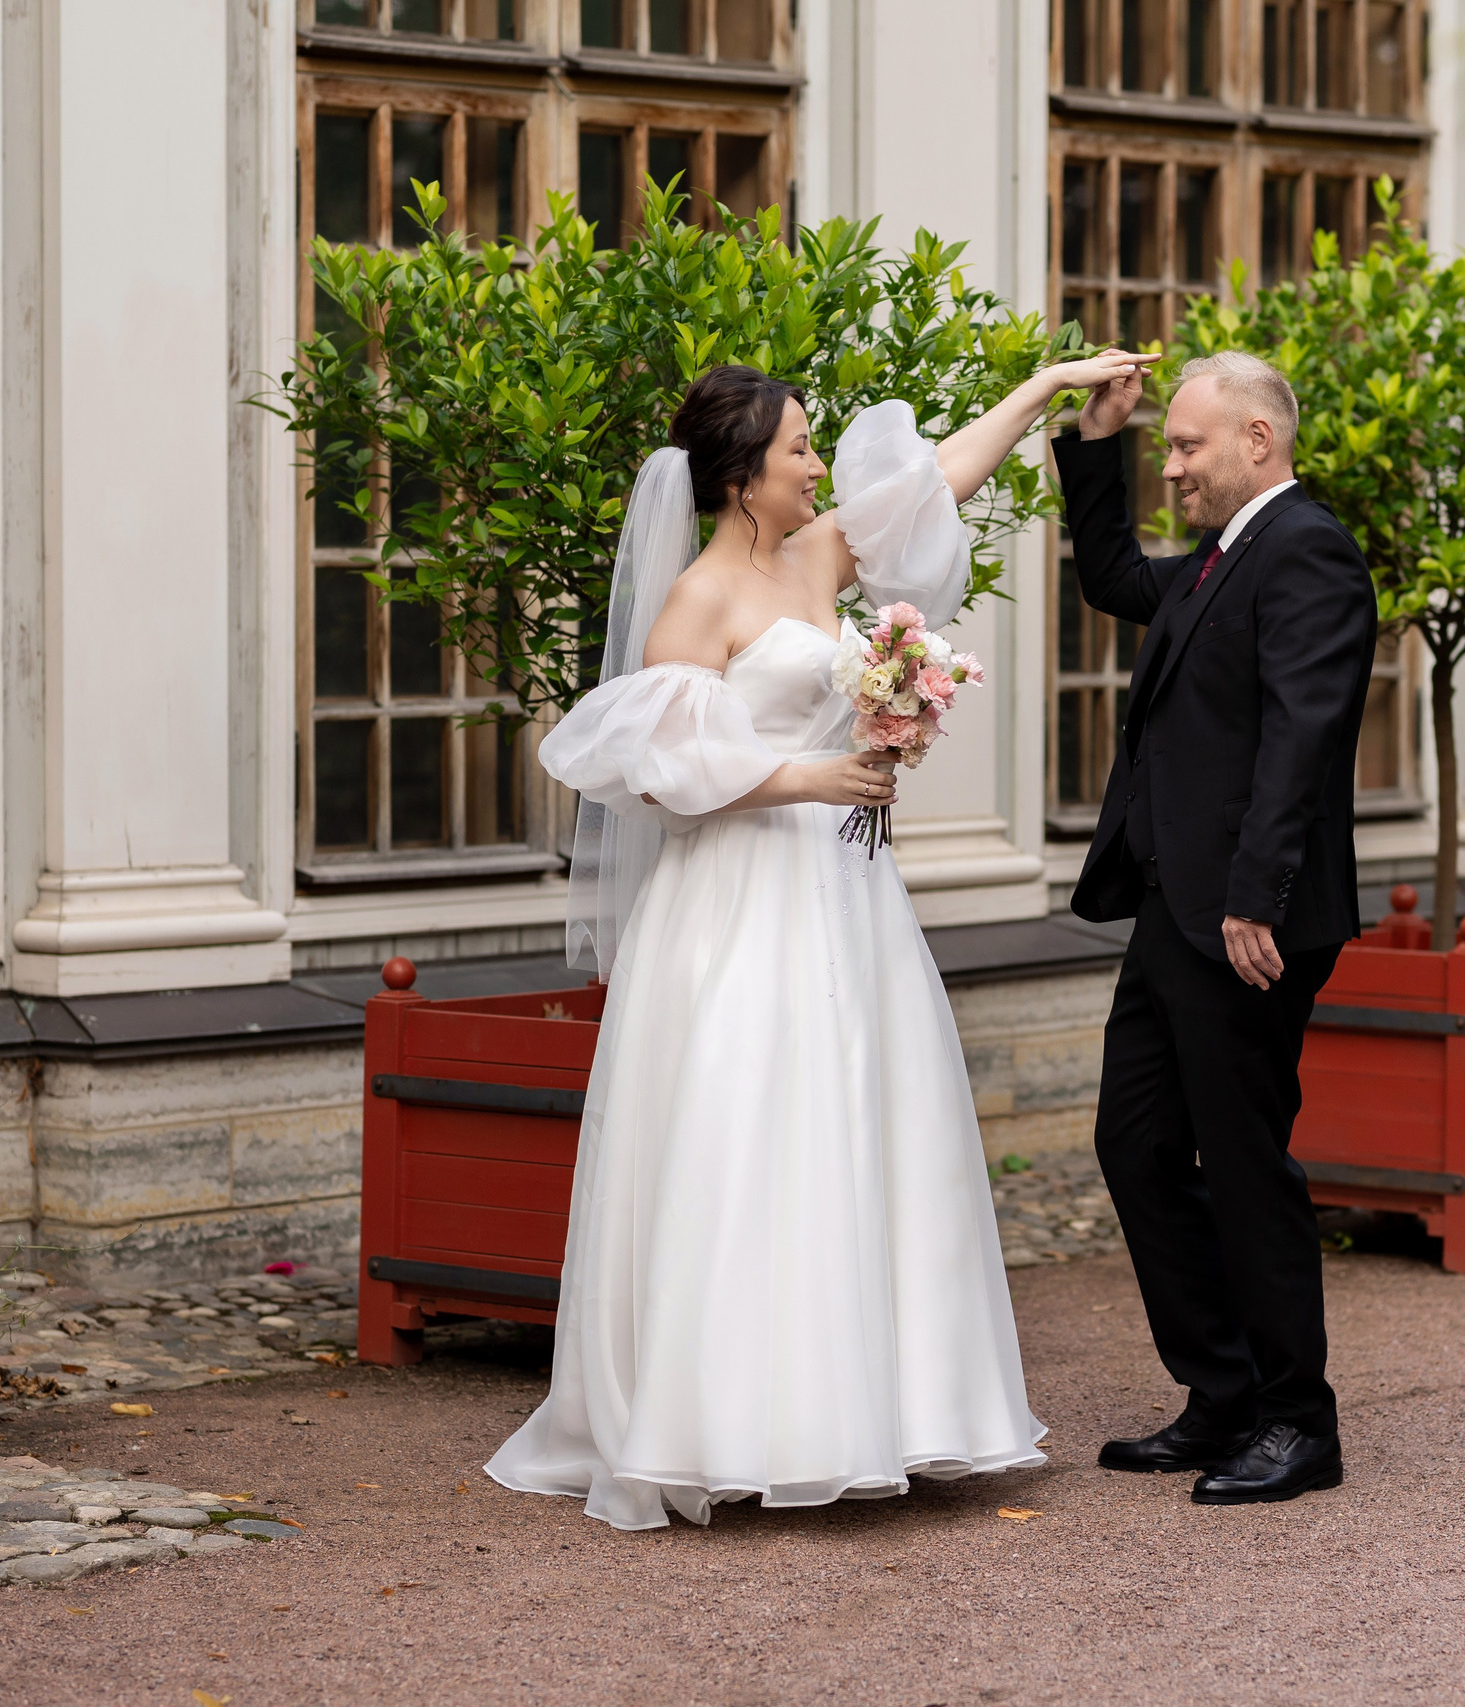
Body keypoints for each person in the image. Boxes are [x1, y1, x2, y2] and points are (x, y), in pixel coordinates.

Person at [487, 353, 1145, 1531]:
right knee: (751, 1135)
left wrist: (1044, 387)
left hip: (847, 895)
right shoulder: (698, 600)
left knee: (864, 1126)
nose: (813, 459)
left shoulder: (824, 553)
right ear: (745, 476)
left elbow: (940, 475)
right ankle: (731, 1420)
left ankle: (879, 1410)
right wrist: (810, 773)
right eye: (797, 445)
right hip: (739, 901)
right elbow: (658, 770)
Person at [1054, 350, 1377, 1505]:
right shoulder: (1216, 563)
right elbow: (1104, 577)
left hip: (1249, 921)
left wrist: (1256, 896)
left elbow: (1305, 735)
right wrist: (1097, 438)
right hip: (1172, 909)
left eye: (1186, 447)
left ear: (1257, 438)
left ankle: (1299, 1422)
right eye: (1167, 448)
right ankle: (1223, 1394)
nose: (1173, 468)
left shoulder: (1310, 552)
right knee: (1136, 1146)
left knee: (1243, 1165)